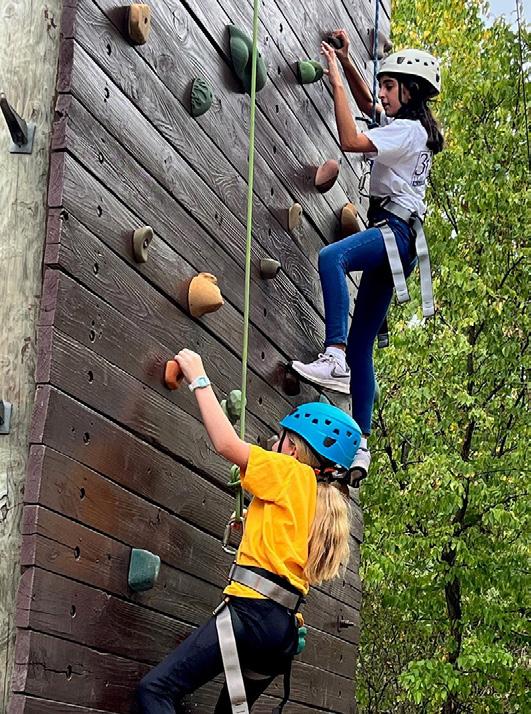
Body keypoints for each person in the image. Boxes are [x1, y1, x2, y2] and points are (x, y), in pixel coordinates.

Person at [136, 348, 362, 713]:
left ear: (293, 448)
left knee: (155, 692)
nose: (273, 443)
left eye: (280, 437)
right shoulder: (321, 499)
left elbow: (226, 444)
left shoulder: (290, 473)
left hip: (252, 613)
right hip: (282, 631)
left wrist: (198, 377)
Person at [291, 31, 444, 482]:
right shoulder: (408, 128)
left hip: (394, 232)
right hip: (401, 241)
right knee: (365, 348)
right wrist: (347, 60)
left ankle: (333, 353)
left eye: (389, 86)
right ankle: (361, 445)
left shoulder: (407, 132)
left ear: (410, 91)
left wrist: (335, 77)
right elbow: (370, 106)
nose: (382, 93)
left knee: (331, 258)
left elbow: (350, 138)